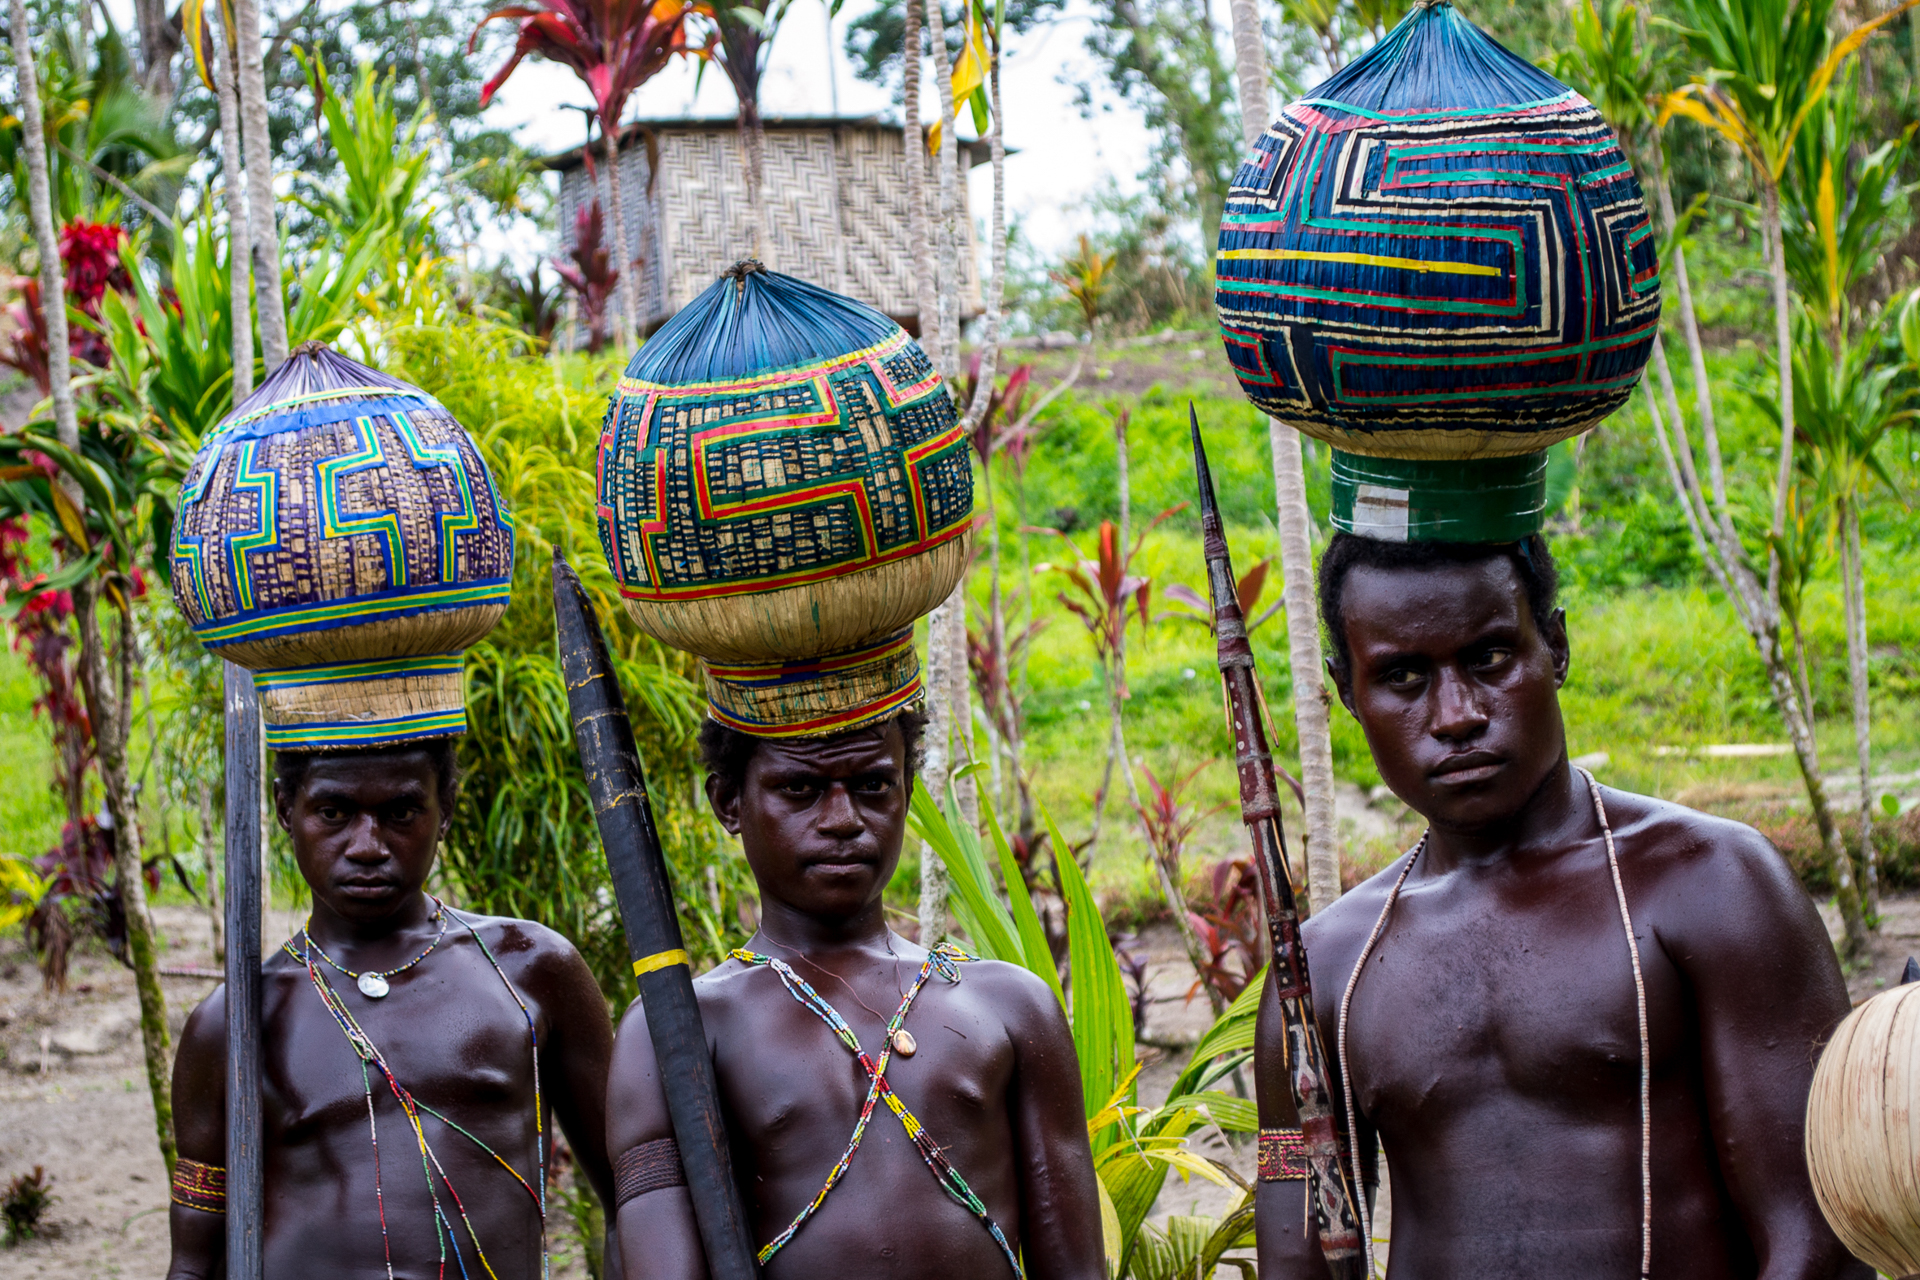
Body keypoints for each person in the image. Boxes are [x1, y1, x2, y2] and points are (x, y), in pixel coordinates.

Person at [1252, 532, 1865, 1279]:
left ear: (1556, 647)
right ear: (1348, 692)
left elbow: (1823, 1237)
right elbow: (1296, 1250)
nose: (1456, 715)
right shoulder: (1321, 970)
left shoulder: (1711, 885)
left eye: (1488, 658)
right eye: (1404, 677)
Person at [605, 708, 1105, 1279]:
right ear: (729, 802)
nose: (843, 820)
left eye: (873, 785)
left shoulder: (1011, 1005)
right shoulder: (675, 1032)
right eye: (800, 789)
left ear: (907, 792)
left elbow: (1077, 1271)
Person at [165, 738, 623, 1280]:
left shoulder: (530, 970)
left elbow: (634, 1199)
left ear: (445, 809)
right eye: (333, 813)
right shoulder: (234, 1023)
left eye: (401, 812)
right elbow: (195, 1263)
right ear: (286, 809)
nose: (367, 846)